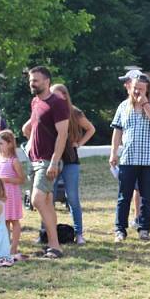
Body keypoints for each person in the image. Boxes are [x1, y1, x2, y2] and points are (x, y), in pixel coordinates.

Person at [110, 73, 150, 242]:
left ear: (148, 90)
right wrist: (113, 152)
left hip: (149, 159)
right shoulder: (123, 106)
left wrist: (146, 105)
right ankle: (120, 229)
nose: (137, 92)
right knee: (123, 196)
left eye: (141, 89)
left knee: (146, 197)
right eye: (135, 89)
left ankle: (144, 229)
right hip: (128, 158)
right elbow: (117, 130)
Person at [23, 66, 69, 258]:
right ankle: (53, 245)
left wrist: (54, 162)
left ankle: (55, 246)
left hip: (48, 161)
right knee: (47, 202)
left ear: (47, 81)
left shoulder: (57, 103)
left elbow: (63, 134)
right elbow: (32, 127)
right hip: (34, 159)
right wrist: (29, 143)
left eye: (36, 80)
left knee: (37, 200)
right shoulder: (35, 101)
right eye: (31, 80)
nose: (31, 83)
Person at [50, 83, 96, 244]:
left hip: (70, 159)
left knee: (73, 198)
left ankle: (79, 233)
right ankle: (46, 233)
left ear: (64, 95)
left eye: (56, 95)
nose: (54, 99)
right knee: (48, 197)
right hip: (52, 159)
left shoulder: (74, 112)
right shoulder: (48, 110)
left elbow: (90, 129)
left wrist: (79, 143)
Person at [0, 130, 26, 266]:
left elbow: (21, 179)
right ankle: (5, 246)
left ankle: (14, 247)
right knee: (4, 221)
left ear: (10, 144)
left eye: (1, 143)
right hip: (1, 196)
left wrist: (6, 179)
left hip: (12, 194)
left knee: (14, 220)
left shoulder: (14, 161)